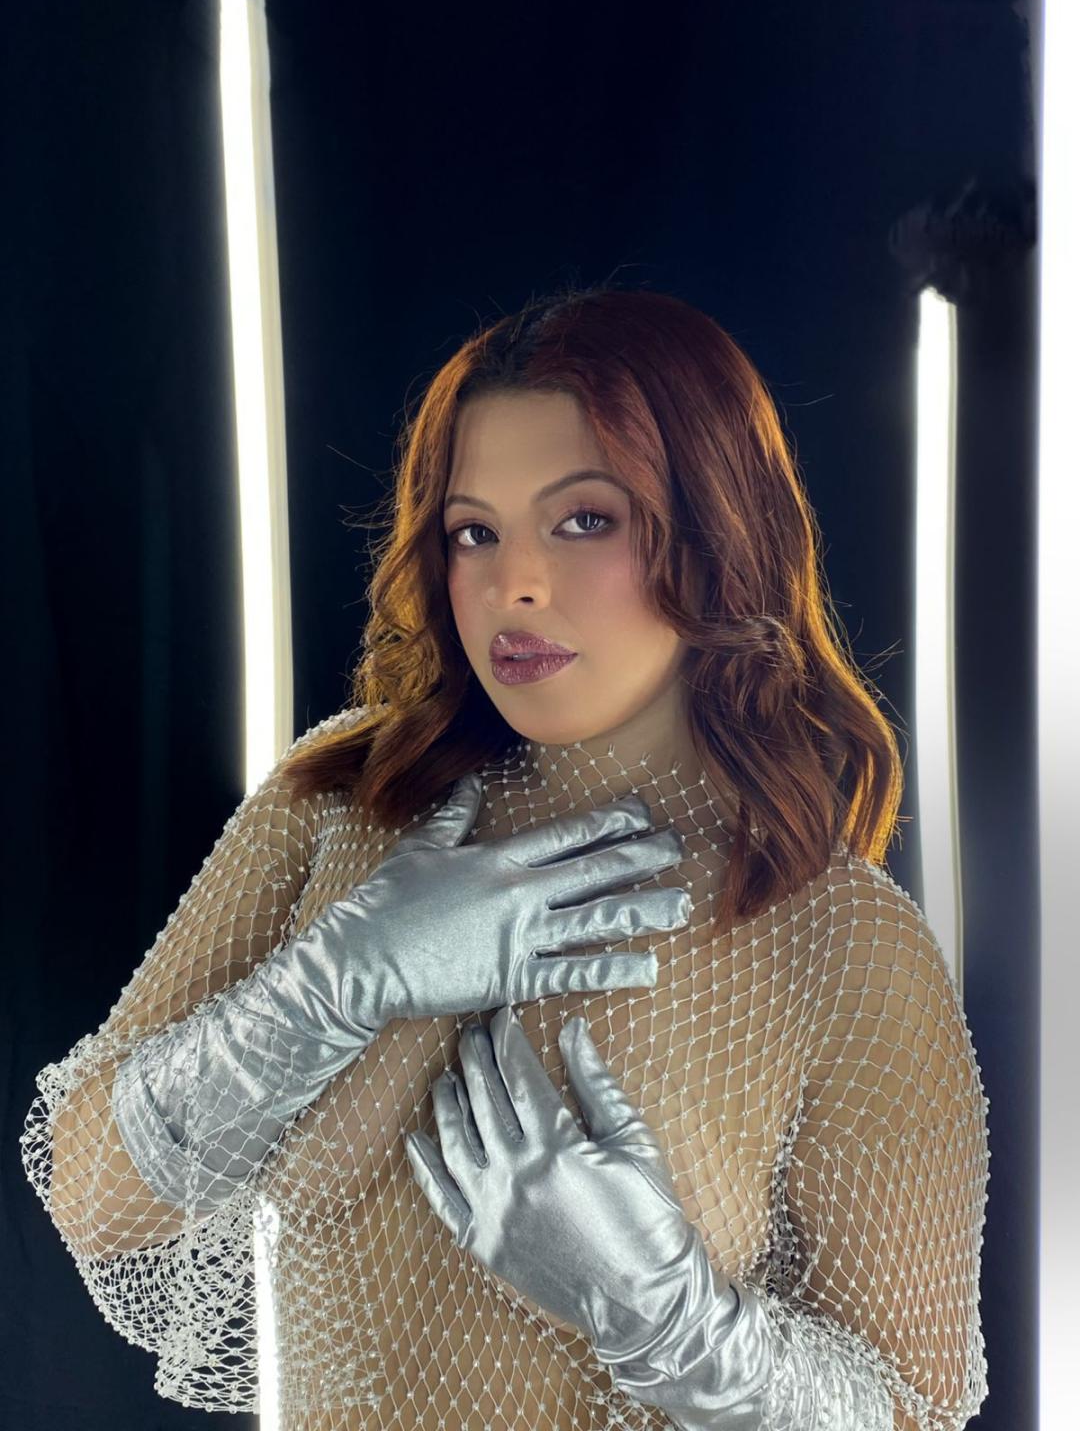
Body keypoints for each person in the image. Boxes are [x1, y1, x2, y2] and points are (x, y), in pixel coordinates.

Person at [22, 285, 990, 1430]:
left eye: (584, 520)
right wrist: (331, 983)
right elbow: (92, 1199)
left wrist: (668, 1320)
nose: (513, 584)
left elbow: (915, 1411)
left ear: (718, 531)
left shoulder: (838, 941)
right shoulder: (341, 801)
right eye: (474, 531)